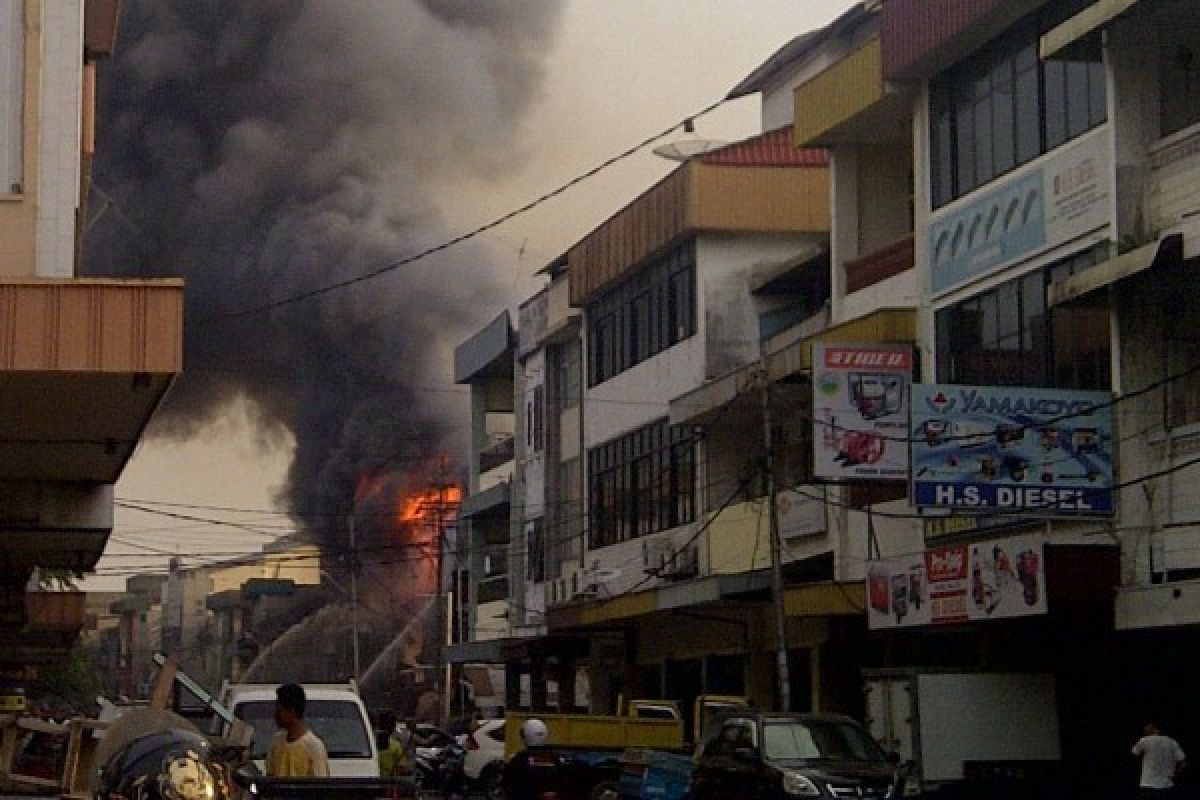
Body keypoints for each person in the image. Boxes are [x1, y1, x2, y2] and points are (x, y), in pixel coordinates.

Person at [265, 683, 330, 777]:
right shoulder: (276, 742)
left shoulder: (314, 747)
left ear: (292, 712)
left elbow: (320, 786)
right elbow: (269, 776)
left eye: (279, 710)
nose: (275, 715)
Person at [1132, 722, 1186, 798]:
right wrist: (1176, 773)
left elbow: (1134, 752)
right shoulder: (1172, 742)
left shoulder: (1144, 740)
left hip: (1148, 783)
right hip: (1167, 784)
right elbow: (1183, 762)